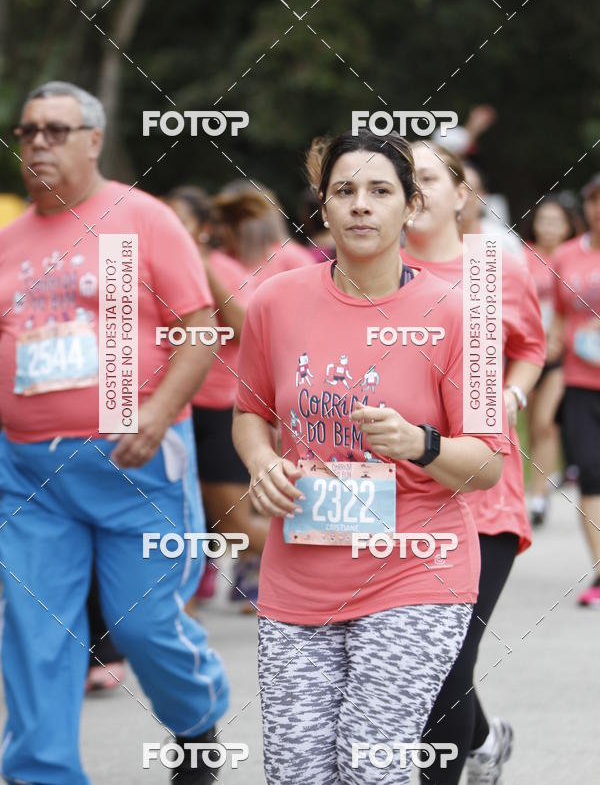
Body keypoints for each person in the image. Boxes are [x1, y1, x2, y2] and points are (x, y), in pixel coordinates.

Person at [232, 129, 509, 785]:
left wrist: (421, 443)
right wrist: (262, 464)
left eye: (380, 191)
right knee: (297, 771)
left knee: (369, 763)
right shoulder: (275, 301)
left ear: (411, 206)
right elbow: (249, 414)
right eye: (344, 191)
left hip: (416, 570)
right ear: (322, 207)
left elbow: (489, 463)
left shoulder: (458, 314)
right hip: (299, 571)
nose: (361, 205)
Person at [0, 81, 228, 784]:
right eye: (28, 130)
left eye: (56, 130)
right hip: (29, 474)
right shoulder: (8, 242)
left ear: (93, 140)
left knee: (141, 626)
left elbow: (200, 331)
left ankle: (197, 719)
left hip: (137, 466)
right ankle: (42, 773)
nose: (38, 141)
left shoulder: (143, 218)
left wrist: (158, 415)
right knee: (35, 635)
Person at [402, 141, 545, 785]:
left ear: (461, 193)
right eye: (405, 178)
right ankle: (483, 741)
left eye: (430, 177)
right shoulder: (371, 267)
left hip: (485, 495)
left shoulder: (495, 268)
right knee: (427, 662)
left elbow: (532, 346)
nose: (417, 189)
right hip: (403, 494)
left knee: (451, 656)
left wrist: (512, 391)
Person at [164, 185, 265, 610]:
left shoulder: (223, 267)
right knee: (179, 523)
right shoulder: (149, 269)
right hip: (169, 411)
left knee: (234, 524)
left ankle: (340, 548)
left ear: (204, 230)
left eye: (180, 220)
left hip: (220, 410)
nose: (170, 228)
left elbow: (246, 329)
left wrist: (201, 267)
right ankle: (181, 617)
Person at [549, 174, 600, 606]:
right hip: (580, 381)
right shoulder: (566, 256)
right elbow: (560, 316)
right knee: (589, 471)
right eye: (596, 202)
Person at [522, 196, 577, 526]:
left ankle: (540, 496)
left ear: (568, 225)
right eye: (543, 220)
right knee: (528, 425)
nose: (549, 227)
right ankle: (533, 491)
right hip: (526, 351)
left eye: (557, 221)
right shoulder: (522, 256)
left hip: (559, 354)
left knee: (546, 423)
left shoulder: (575, 258)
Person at [460, 160, 523, 258]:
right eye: (456, 190)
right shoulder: (432, 242)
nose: (462, 198)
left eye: (469, 190)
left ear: (482, 196)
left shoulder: (505, 242)